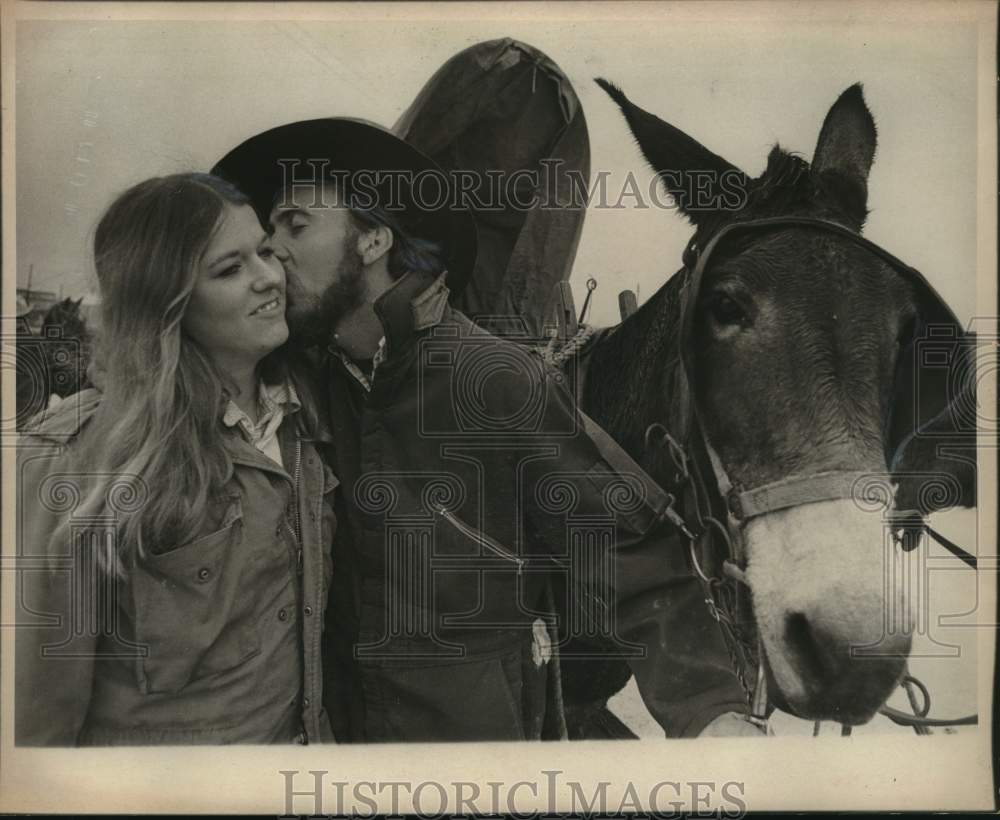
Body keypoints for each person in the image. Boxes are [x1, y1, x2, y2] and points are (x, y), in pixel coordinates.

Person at [213, 120, 751, 741]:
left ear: (373, 239)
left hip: (478, 758)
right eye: (270, 232)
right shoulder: (302, 389)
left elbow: (625, 548)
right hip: (338, 751)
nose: (273, 252)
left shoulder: (494, 381)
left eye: (295, 225)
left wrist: (711, 711)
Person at [15, 173, 337, 746]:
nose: (269, 277)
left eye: (265, 251)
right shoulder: (78, 456)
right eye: (229, 269)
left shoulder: (302, 418)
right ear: (167, 303)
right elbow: (35, 718)